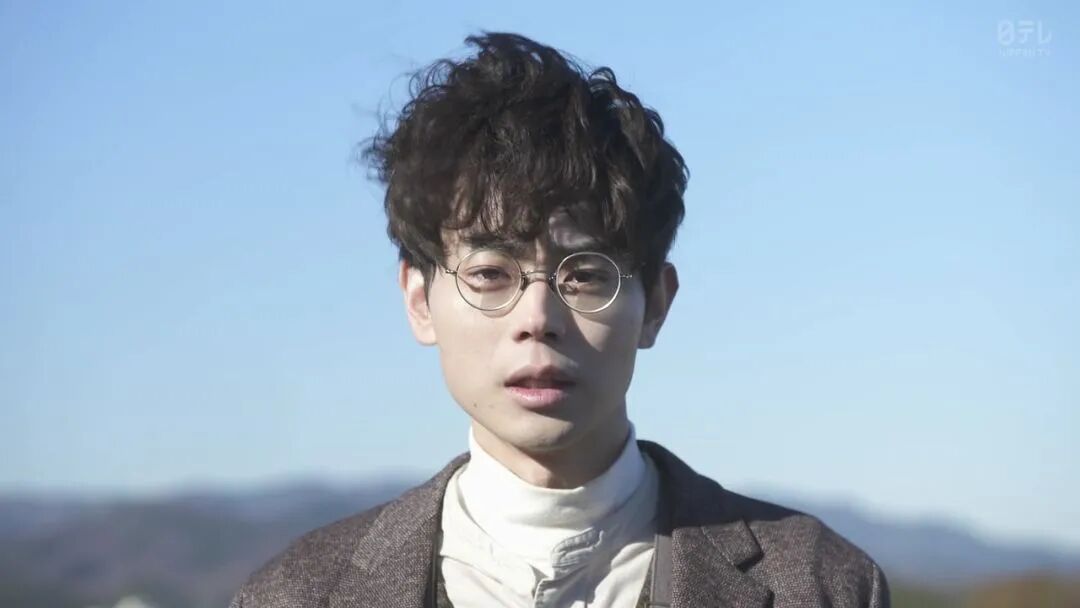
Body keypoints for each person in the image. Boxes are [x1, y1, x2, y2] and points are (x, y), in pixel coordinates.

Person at [229, 32, 889, 608]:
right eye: (490, 273)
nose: (538, 319)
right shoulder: (296, 594)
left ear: (656, 304)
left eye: (586, 275)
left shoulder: (825, 585)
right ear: (419, 299)